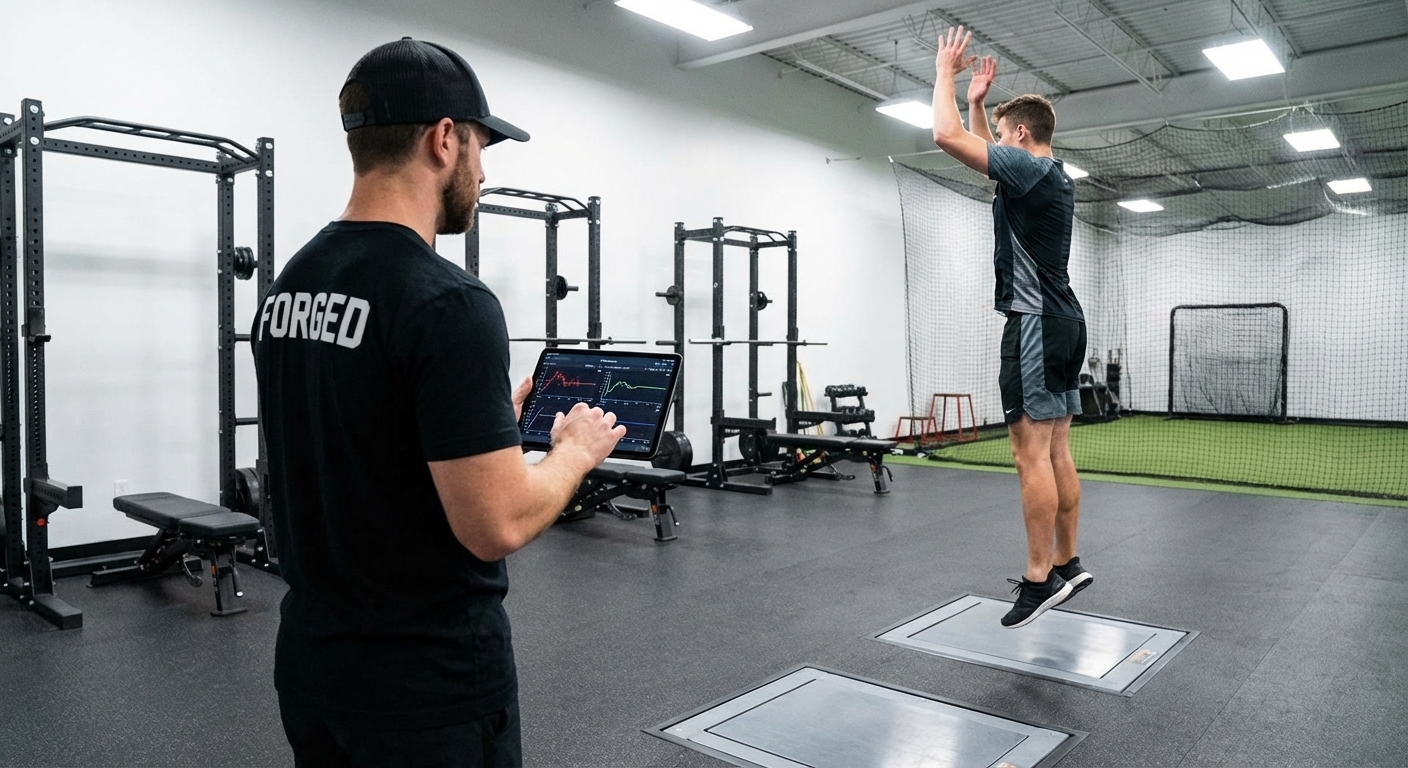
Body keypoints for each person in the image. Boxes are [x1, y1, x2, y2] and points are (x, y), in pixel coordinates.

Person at [252, 37, 625, 766]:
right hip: (426, 689)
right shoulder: (448, 301)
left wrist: (486, 425)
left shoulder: (292, 282)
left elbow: (364, 434)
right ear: (444, 139)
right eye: (483, 148)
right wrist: (572, 452)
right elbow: (497, 524)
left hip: (314, 665)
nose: (483, 173)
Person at [929, 27, 1093, 629]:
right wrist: (978, 104)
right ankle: (1068, 562)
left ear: (1021, 136)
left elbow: (944, 138)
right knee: (1054, 448)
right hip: (1063, 320)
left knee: (1029, 456)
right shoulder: (1050, 176)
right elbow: (981, 157)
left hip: (1033, 325)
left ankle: (1036, 579)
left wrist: (945, 73)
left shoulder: (1030, 172)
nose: (995, 146)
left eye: (1000, 134)